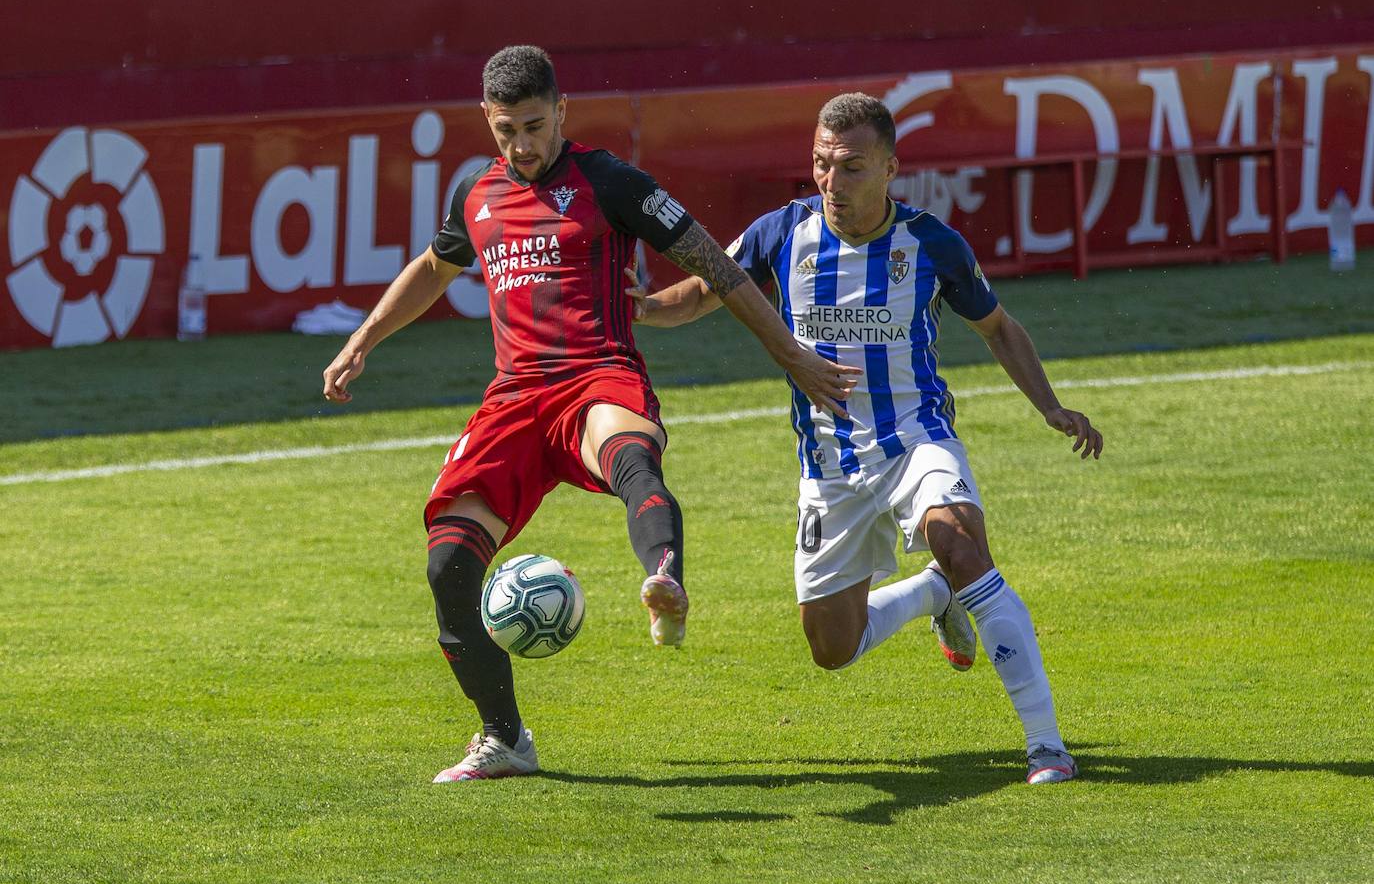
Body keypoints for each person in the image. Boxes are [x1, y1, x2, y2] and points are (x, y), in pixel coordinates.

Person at [321, 46, 859, 783]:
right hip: (513, 400)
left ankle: (665, 580)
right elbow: (433, 269)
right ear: (488, 118)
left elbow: (719, 267)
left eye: (536, 125)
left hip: (596, 376)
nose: (522, 144)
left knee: (632, 458)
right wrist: (362, 340)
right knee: (448, 562)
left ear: (562, 111)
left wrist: (790, 354)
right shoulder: (474, 196)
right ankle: (504, 738)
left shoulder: (611, 182)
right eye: (507, 128)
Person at [629, 92, 1103, 785]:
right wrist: (637, 309)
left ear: (889, 168)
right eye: (821, 164)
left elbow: (998, 327)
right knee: (832, 648)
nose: (830, 182)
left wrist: (1051, 407)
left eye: (849, 168)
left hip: (917, 440)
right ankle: (931, 597)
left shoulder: (932, 243)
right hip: (829, 466)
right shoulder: (780, 233)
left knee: (962, 541)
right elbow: (700, 293)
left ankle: (1047, 746)